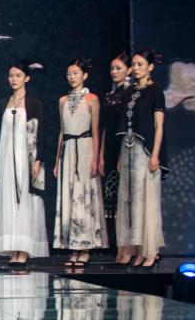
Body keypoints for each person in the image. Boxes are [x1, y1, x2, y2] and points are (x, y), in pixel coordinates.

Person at [0, 61, 49, 267]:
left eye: (18, 75)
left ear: (27, 78)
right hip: (6, 160)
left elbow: (41, 133)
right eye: (11, 75)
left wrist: (38, 159)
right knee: (8, 202)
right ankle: (13, 249)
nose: (14, 79)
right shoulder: (2, 104)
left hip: (26, 159)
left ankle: (23, 249)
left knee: (25, 202)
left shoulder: (34, 104)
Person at [52, 58, 106, 266]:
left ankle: (85, 247)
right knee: (69, 196)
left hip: (85, 148)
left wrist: (96, 158)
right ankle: (72, 246)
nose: (72, 77)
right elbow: (61, 131)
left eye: (75, 73)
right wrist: (57, 160)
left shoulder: (92, 99)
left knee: (83, 196)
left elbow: (96, 130)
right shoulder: (63, 101)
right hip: (68, 149)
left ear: (85, 75)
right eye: (69, 73)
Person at [116, 50, 167, 268]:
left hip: (144, 151)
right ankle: (134, 248)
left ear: (150, 67)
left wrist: (155, 154)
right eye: (134, 64)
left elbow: (158, 126)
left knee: (146, 199)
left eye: (140, 64)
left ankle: (150, 250)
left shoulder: (156, 91)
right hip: (128, 149)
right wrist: (121, 156)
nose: (136, 68)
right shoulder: (129, 91)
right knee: (129, 201)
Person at [99, 52, 133, 261]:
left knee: (125, 200)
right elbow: (105, 126)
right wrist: (101, 154)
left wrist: (122, 154)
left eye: (118, 68)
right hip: (110, 148)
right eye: (112, 68)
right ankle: (118, 245)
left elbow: (127, 127)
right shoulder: (110, 95)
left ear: (129, 70)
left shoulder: (131, 94)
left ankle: (127, 247)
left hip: (124, 147)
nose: (114, 72)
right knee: (112, 199)